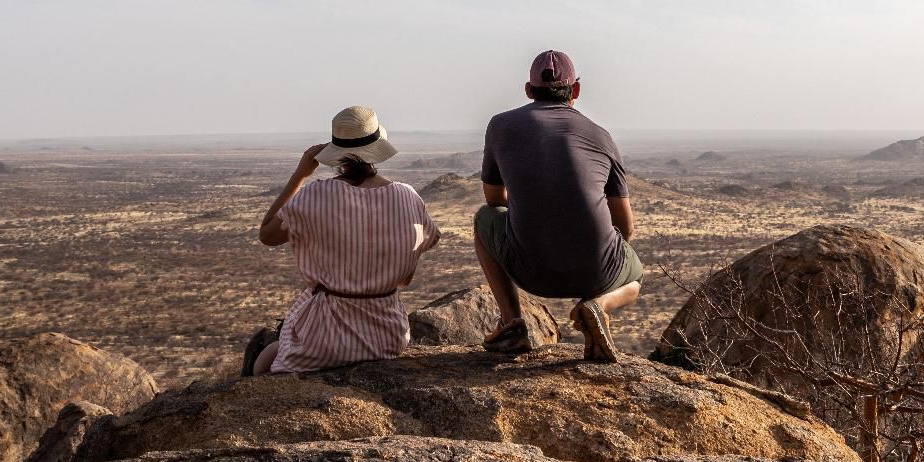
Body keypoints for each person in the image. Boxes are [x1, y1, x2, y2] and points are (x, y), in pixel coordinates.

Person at [244, 105, 440, 376]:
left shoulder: (316, 195)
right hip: (389, 336)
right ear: (377, 148)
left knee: (265, 358)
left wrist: (301, 174)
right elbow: (408, 273)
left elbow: (267, 234)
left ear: (335, 154)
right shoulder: (409, 197)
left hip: (323, 341)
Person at [474, 49, 643, 362]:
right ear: (576, 90)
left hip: (529, 271)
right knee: (635, 279)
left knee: (484, 218)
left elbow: (494, 202)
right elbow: (626, 227)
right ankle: (598, 305)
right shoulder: (601, 136)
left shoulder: (500, 126)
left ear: (528, 91)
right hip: (596, 274)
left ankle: (512, 324)